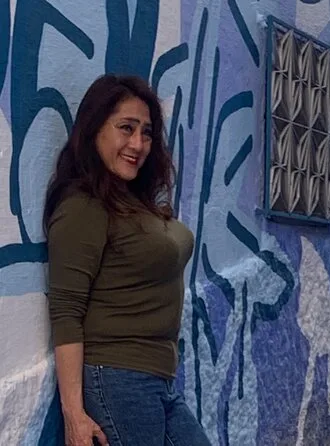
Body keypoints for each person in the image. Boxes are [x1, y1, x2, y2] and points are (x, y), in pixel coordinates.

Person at [44, 74, 211, 446]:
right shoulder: (83, 205)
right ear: (94, 129)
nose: (138, 143)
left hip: (156, 378)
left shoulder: (131, 202)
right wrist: (74, 415)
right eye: (126, 128)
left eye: (146, 133)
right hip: (117, 378)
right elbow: (66, 311)